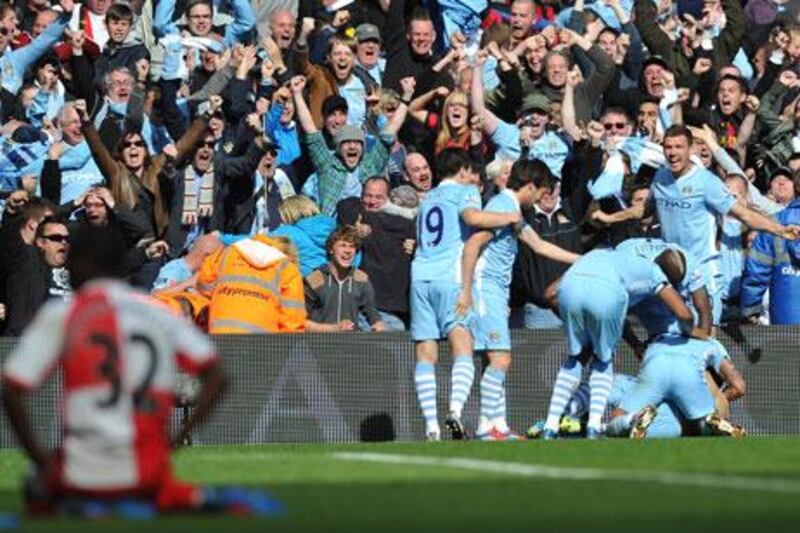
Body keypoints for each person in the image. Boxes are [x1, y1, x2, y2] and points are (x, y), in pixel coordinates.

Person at [1, 226, 272, 516]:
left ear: (78, 264)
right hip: (148, 473)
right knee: (166, 489)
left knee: (36, 487)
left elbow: (11, 390)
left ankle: (85, 505)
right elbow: (217, 377)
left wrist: (41, 459)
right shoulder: (156, 312)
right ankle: (184, 498)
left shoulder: (64, 314)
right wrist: (179, 437)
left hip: (78, 475)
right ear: (119, 265)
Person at [460, 160, 580, 440]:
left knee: (495, 360)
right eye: (540, 191)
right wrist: (467, 291)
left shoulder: (512, 210)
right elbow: (473, 245)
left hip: (495, 290)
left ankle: (495, 427)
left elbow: (538, 245)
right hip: (485, 286)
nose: (541, 198)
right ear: (529, 186)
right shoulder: (503, 207)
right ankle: (489, 428)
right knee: (500, 359)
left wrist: (582, 260)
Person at [410, 148, 521, 441]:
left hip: (420, 276)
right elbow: (472, 218)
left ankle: (431, 427)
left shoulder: (427, 199)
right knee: (463, 346)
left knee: (425, 352)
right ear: (462, 171)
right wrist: (509, 216)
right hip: (449, 277)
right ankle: (456, 411)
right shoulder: (465, 191)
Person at [540, 242, 704, 439]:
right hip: (605, 293)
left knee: (576, 357)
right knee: (603, 360)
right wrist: (692, 331)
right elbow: (684, 314)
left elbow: (550, 293)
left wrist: (582, 327)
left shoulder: (607, 252)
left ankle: (549, 425)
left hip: (570, 288)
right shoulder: (653, 270)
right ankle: (594, 426)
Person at [605, 335, 746, 439]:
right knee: (689, 426)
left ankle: (623, 421)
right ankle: (709, 424)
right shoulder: (713, 345)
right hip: (706, 404)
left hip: (668, 404)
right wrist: (718, 398)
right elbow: (739, 387)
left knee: (618, 406)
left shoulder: (664, 337)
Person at [197, 233, 306, 334]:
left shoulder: (227, 253)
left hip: (219, 338)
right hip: (259, 348)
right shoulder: (288, 270)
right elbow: (292, 325)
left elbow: (204, 286)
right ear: (289, 257)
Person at [741, 174, 800, 324]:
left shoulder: (774, 223)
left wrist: (750, 308)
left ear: (796, 187)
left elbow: (756, 272)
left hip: (785, 319)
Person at [304, 225, 384, 333]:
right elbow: (301, 322)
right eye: (343, 245)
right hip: (319, 345)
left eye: (352, 246)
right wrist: (334, 329)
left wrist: (377, 325)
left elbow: (372, 313)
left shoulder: (361, 279)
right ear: (331, 249)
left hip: (350, 345)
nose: (348, 251)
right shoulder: (314, 279)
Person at [4, 216, 71, 336]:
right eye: (56, 238)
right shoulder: (28, 261)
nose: (63, 242)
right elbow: (8, 237)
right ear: (40, 242)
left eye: (67, 238)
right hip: (30, 344)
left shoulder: (78, 271)